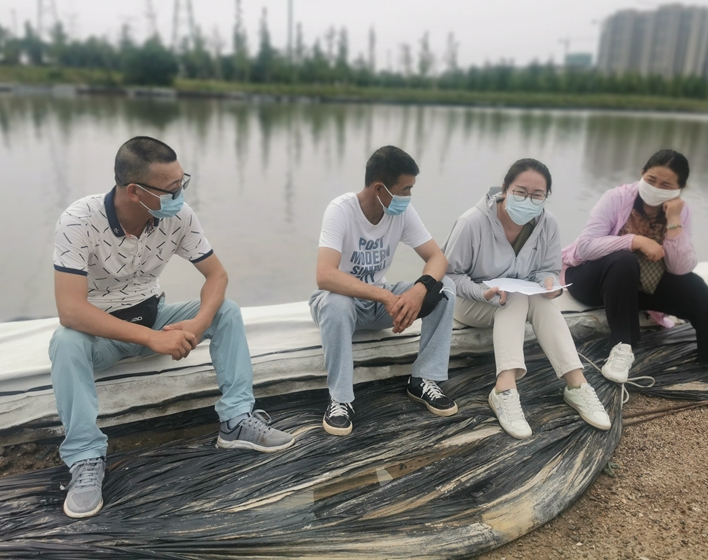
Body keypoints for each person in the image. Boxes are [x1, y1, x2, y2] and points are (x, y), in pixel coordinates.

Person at [50, 136, 295, 519]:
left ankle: (235, 421)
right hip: (102, 335)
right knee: (65, 342)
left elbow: (217, 276)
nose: (180, 195)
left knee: (226, 311)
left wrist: (197, 324)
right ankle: (85, 458)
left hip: (154, 314)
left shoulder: (177, 217)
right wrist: (152, 339)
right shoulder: (79, 221)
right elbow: (70, 311)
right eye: (172, 189)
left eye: (183, 183)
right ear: (135, 191)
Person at [562, 149, 708, 391]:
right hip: (592, 280)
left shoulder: (680, 212)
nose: (656, 188)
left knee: (693, 283)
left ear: (679, 189)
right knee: (623, 260)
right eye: (651, 180)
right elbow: (586, 247)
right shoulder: (616, 198)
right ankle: (621, 347)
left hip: (636, 286)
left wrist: (673, 222)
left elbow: (680, 268)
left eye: (666, 185)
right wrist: (635, 241)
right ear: (642, 174)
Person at [443, 158, 611, 440]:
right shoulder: (472, 222)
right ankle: (504, 389)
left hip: (516, 299)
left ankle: (577, 385)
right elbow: (448, 275)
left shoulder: (547, 224)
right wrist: (482, 292)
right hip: (471, 302)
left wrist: (548, 284)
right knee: (517, 298)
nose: (528, 200)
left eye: (537, 195)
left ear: (546, 197)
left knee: (538, 300)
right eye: (520, 192)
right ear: (505, 189)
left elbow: (548, 269)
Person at [310, 145, 458, 436]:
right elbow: (325, 276)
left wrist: (419, 289)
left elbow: (438, 258)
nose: (409, 196)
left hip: (380, 303)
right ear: (379, 188)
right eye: (405, 189)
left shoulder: (402, 213)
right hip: (341, 304)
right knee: (337, 303)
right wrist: (385, 296)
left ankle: (424, 379)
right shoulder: (341, 210)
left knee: (445, 289)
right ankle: (340, 400)